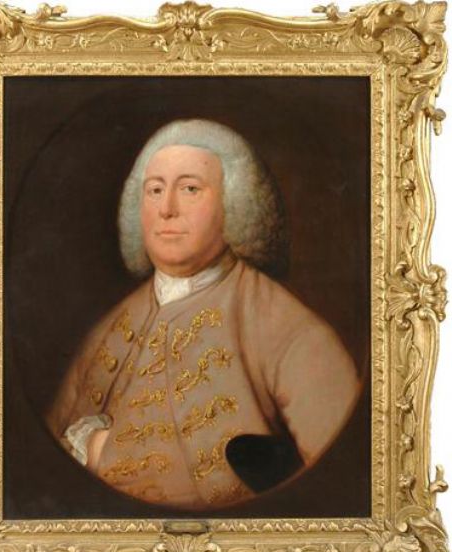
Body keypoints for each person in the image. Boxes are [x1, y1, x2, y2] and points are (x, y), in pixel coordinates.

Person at [45, 119, 360, 510]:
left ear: (234, 204)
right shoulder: (108, 329)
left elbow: (340, 479)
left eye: (190, 189)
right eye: (155, 190)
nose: (167, 209)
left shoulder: (288, 329)